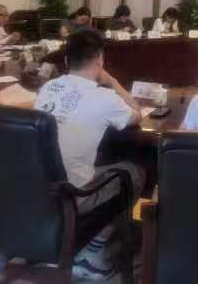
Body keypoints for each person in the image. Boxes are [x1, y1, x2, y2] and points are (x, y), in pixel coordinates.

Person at [34, 30, 143, 280]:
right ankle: (93, 254)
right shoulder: (105, 97)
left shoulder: (48, 87)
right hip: (71, 194)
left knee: (99, 162)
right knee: (135, 171)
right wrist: (111, 80)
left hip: (37, 188)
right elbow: (137, 113)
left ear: (66, 60)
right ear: (99, 60)